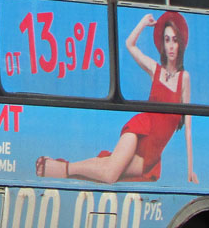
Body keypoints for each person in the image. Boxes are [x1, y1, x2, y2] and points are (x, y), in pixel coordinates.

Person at [36, 11, 197, 184]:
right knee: (110, 173)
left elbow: (188, 127)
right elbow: (130, 44)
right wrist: (143, 23)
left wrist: (190, 170)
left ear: (180, 43)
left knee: (109, 168)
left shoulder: (184, 78)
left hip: (152, 154)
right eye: (167, 40)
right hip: (140, 131)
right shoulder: (155, 70)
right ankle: (62, 169)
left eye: (174, 40)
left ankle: (61, 167)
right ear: (162, 45)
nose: (171, 46)